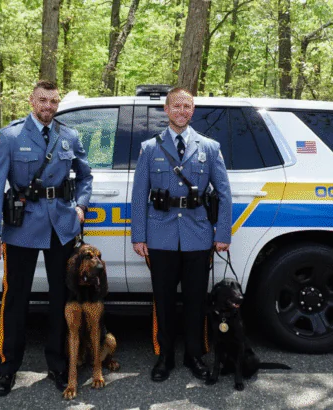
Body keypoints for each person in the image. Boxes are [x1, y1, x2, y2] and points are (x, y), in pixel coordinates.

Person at [0, 80, 93, 397]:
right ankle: (7, 369)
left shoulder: (68, 135)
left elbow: (86, 176)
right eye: (43, 100)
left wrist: (81, 206)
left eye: (53, 101)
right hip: (23, 226)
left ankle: (58, 365)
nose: (48, 106)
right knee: (15, 300)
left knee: (62, 299)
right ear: (32, 100)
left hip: (61, 226)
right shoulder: (10, 136)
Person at [131, 87, 232, 382]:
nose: (182, 111)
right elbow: (139, 196)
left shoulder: (209, 147)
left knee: (195, 300)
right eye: (176, 106)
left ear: (193, 110)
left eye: (187, 106)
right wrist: (139, 236)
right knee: (163, 301)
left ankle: (194, 355)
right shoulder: (150, 148)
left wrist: (222, 233)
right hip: (160, 234)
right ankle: (165, 357)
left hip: (197, 234)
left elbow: (224, 193)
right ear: (166, 109)